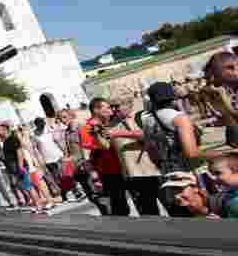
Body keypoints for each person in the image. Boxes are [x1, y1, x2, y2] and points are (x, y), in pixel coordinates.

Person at [140, 82, 202, 217]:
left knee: (180, 212)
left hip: (166, 171)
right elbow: (191, 153)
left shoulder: (146, 120)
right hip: (186, 170)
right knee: (198, 208)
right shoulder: (179, 117)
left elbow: (151, 153)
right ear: (172, 97)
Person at [80, 98, 137, 216]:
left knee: (131, 202)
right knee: (119, 206)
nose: (110, 110)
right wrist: (94, 176)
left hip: (124, 167)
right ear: (96, 110)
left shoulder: (109, 123)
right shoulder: (87, 128)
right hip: (109, 172)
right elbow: (86, 154)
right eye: (107, 107)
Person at [0, 123, 45, 212]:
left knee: (28, 186)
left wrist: (20, 165)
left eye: (0, 130)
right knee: (25, 186)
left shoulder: (13, 138)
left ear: (5, 130)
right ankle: (36, 203)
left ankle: (38, 204)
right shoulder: (5, 141)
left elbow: (19, 152)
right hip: (13, 167)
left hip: (19, 166)